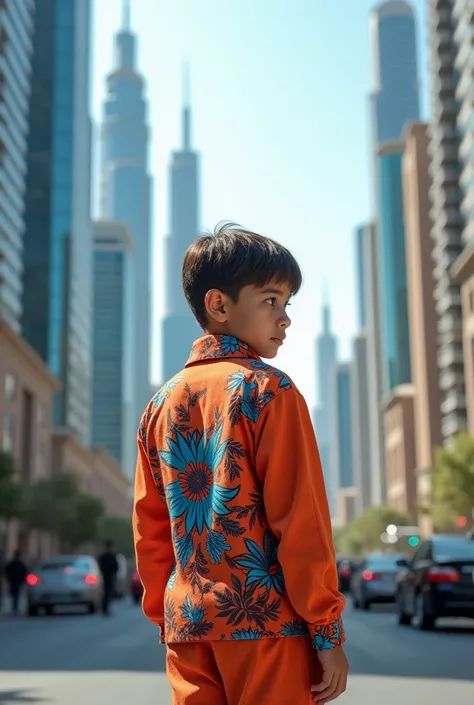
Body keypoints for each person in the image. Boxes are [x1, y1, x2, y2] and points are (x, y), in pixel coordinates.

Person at [133, 223, 348, 705]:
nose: (285, 318)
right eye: (271, 300)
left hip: (189, 629)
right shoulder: (270, 390)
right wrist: (327, 632)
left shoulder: (159, 405)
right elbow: (300, 522)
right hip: (266, 625)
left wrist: (168, 616)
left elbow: (150, 530)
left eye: (288, 303)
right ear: (219, 305)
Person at [98, 540, 119, 616]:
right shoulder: (105, 556)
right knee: (106, 593)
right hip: (105, 576)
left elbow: (116, 567)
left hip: (109, 576)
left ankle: (105, 608)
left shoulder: (111, 556)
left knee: (108, 593)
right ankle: (104, 608)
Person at [5, 549, 27, 615]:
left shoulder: (15, 564)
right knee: (15, 594)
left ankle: (15, 607)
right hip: (15, 581)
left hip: (15, 581)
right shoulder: (18, 564)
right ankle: (15, 607)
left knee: (15, 594)